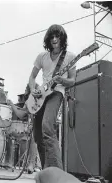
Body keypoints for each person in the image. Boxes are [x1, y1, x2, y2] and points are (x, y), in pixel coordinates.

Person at [28, 24, 76, 169]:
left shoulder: (70, 57)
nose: (54, 39)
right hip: (41, 95)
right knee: (38, 135)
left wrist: (62, 80)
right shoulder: (42, 56)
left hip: (57, 93)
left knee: (47, 126)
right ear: (48, 40)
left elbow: (72, 81)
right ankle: (46, 170)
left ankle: (57, 172)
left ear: (62, 38)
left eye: (57, 36)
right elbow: (32, 77)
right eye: (52, 37)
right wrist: (32, 89)